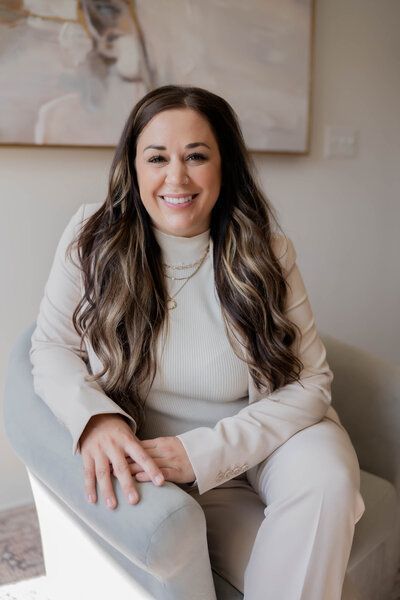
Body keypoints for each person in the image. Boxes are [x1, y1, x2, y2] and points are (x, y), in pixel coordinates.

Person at [30, 84, 365, 600]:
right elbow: (52, 347)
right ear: (133, 167)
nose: (176, 177)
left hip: (266, 437)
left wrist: (203, 451)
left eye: (196, 157)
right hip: (153, 454)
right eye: (158, 157)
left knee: (329, 480)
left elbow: (311, 383)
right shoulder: (90, 238)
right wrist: (95, 419)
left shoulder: (268, 252)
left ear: (223, 166)